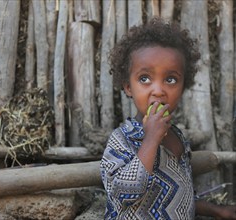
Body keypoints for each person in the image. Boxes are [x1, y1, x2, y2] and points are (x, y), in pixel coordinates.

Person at [100, 17, 236, 220]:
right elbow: (124, 194)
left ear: (183, 88)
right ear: (128, 87)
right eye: (144, 78)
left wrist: (218, 211)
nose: (158, 90)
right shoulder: (123, 139)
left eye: (170, 79)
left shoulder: (178, 137)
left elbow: (180, 196)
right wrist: (151, 139)